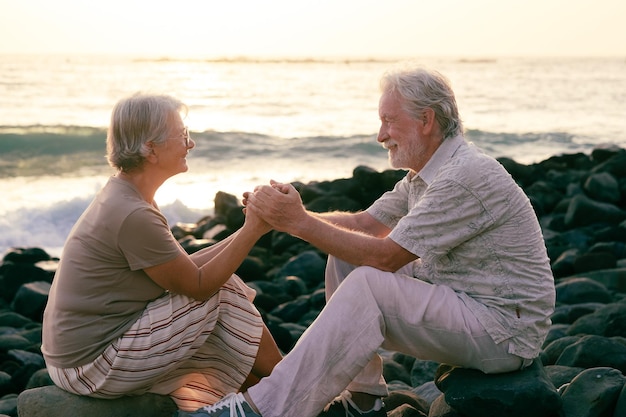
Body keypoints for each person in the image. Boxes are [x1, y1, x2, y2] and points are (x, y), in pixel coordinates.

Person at [177, 66, 556, 417]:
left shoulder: (462, 176)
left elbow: (387, 257)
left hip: (504, 330)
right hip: (470, 303)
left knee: (370, 284)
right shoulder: (424, 175)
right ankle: (364, 399)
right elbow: (363, 224)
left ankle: (262, 409)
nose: (381, 135)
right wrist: (284, 217)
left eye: (389, 121)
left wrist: (296, 221)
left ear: (426, 120)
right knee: (346, 257)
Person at [41, 93, 282, 412]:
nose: (191, 143)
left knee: (222, 287)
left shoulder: (127, 195)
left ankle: (272, 394)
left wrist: (253, 227)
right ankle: (292, 382)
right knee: (221, 291)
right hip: (89, 366)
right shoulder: (132, 213)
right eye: (182, 135)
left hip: (81, 353)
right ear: (149, 148)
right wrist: (252, 229)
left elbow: (183, 271)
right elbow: (198, 286)